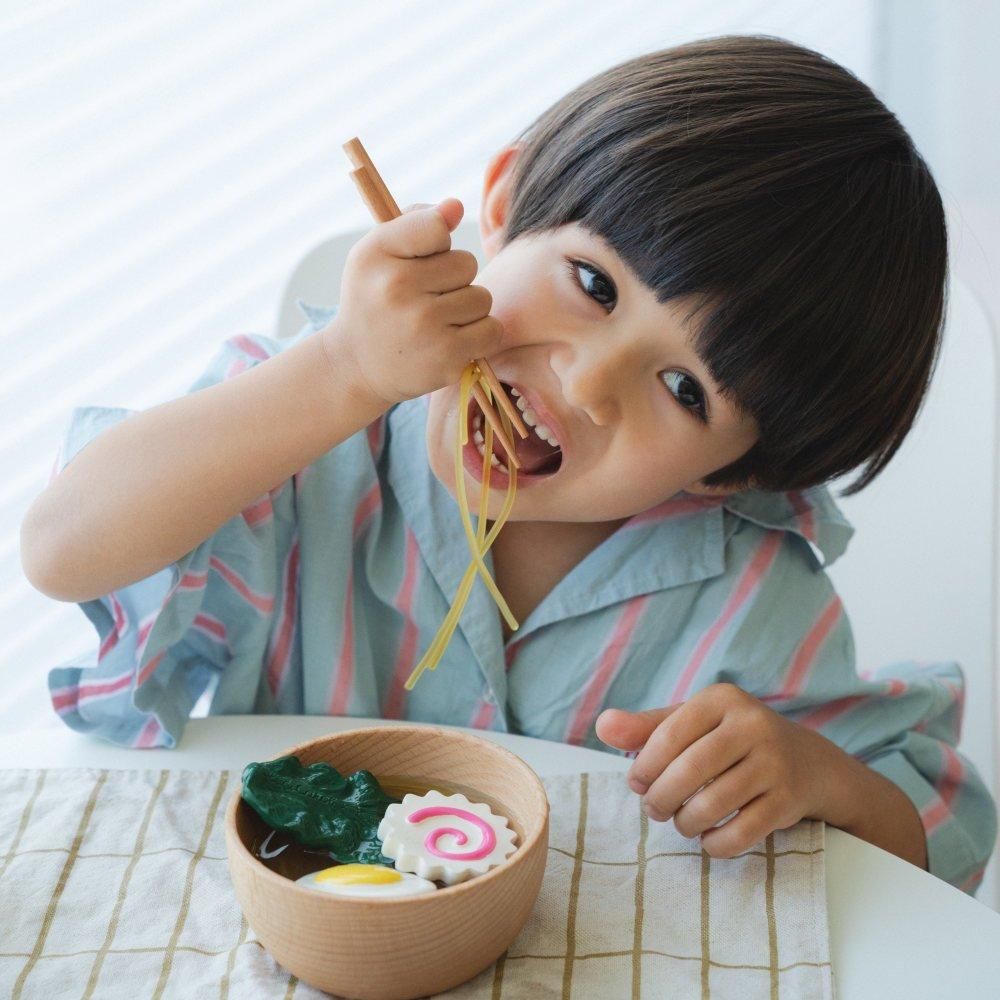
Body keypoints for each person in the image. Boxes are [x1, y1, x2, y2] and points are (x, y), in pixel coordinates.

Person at [20, 35, 996, 892]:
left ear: (737, 472)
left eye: (686, 390)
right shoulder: (306, 439)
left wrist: (815, 778)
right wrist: (338, 371)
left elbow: (936, 853)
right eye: (591, 283)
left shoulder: (747, 602)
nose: (586, 381)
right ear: (504, 199)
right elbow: (62, 548)